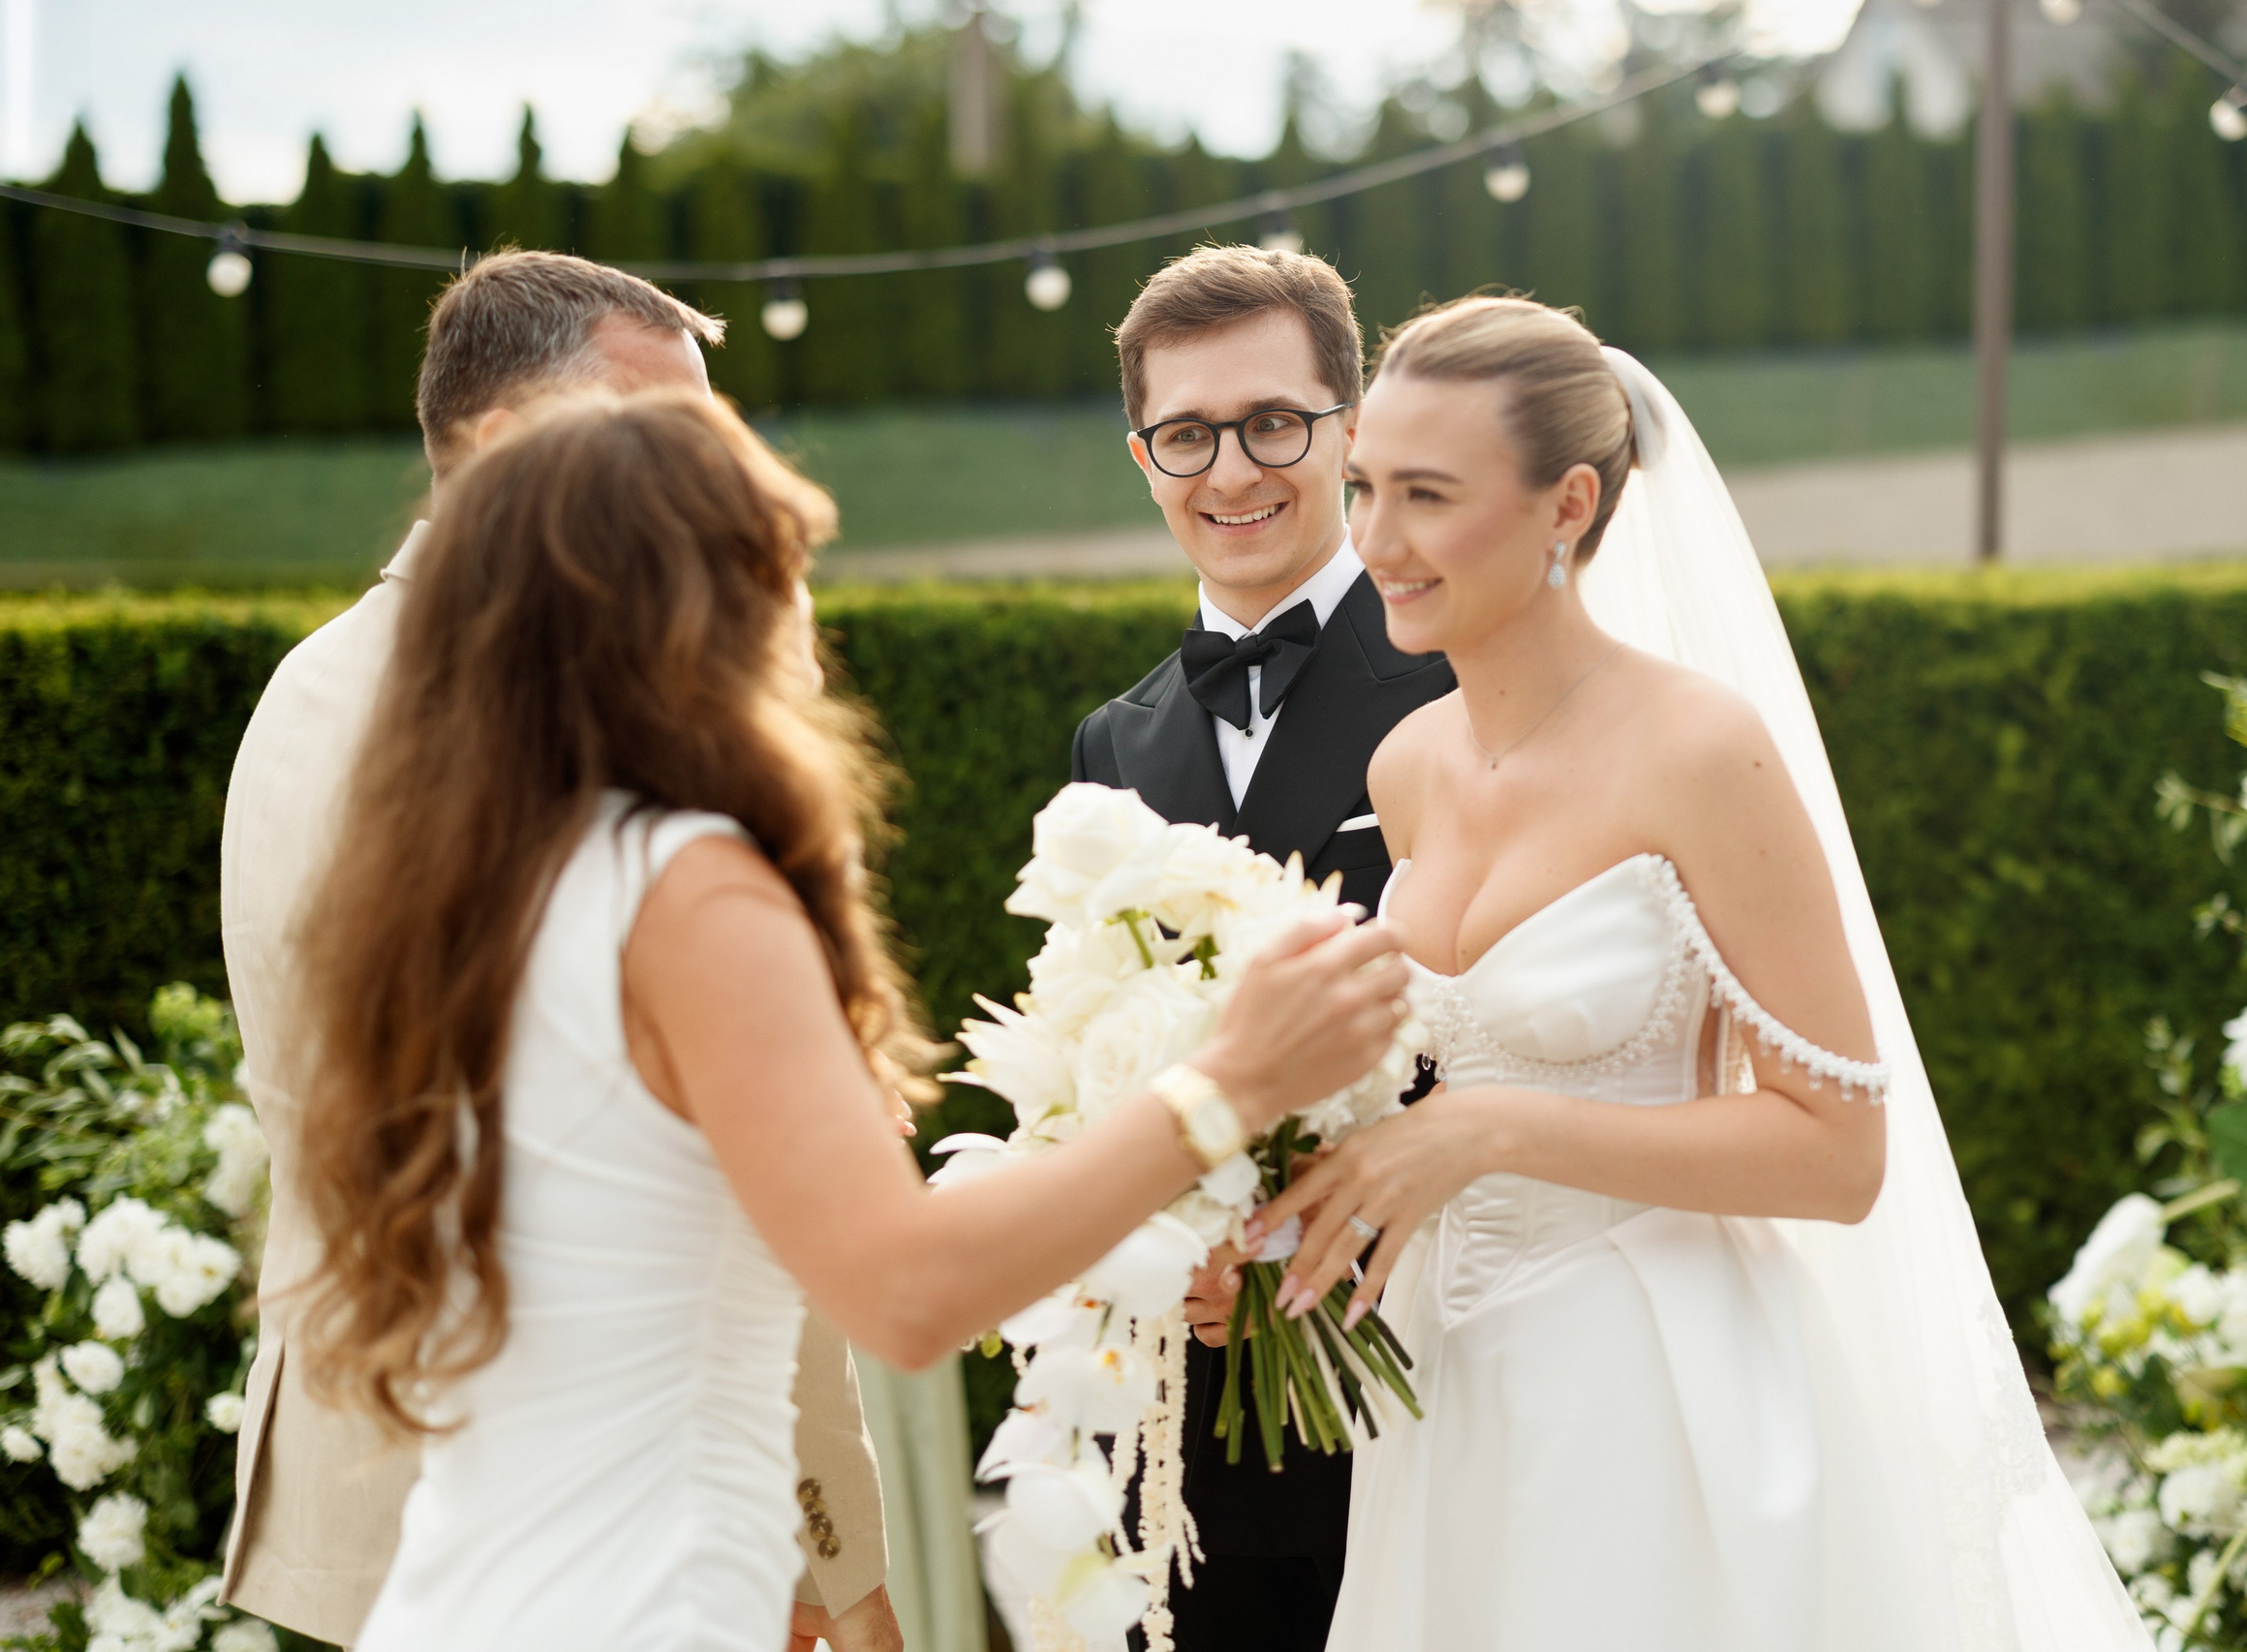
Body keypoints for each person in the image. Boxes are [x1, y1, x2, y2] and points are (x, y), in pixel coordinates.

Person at [289, 387, 1411, 1652]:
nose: (804, 609)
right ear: (698, 608)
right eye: (781, 566)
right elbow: (908, 1290)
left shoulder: (472, 887)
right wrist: (1229, 1083)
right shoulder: (693, 888)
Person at [1257, 297, 2151, 1650]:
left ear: (1567, 503)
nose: (1375, 541)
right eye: (1366, 486)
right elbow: (1412, 1096)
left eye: (1427, 496)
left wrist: (1491, 1130)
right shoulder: (1409, 766)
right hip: (1445, 1391)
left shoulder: (1698, 750)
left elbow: (1839, 1152)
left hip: (1651, 1387)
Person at [216, 252, 901, 1652]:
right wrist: (826, 1545)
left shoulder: (309, 685)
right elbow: (698, 1191)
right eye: (658, 435)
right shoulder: (550, 732)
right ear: (499, 444)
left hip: (356, 1504)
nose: (697, 479)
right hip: (603, 1519)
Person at [1069, 244, 1454, 1650]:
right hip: (1197, 1402)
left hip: (1427, 1359)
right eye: (1186, 434)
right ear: (1142, 454)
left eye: (1272, 423)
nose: (1229, 471)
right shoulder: (1111, 745)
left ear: (1347, 429)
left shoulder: (1462, 675)